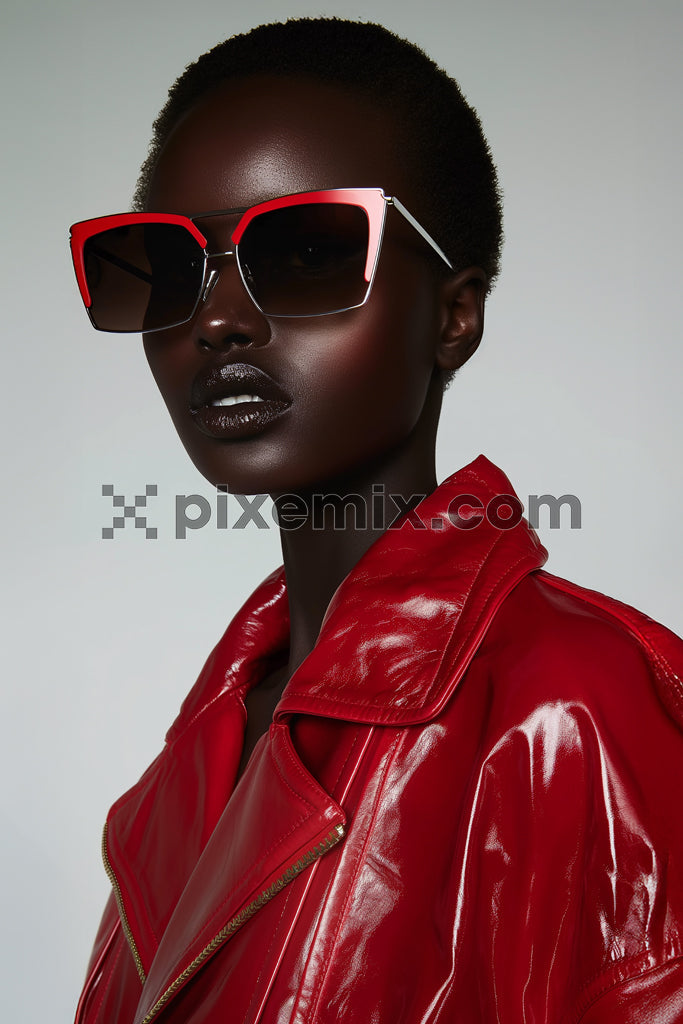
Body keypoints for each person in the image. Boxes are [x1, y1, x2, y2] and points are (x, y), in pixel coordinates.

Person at [70, 17, 683, 1024]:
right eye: (170, 268)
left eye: (305, 253)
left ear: (453, 314)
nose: (217, 319)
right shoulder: (195, 759)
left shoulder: (578, 712)